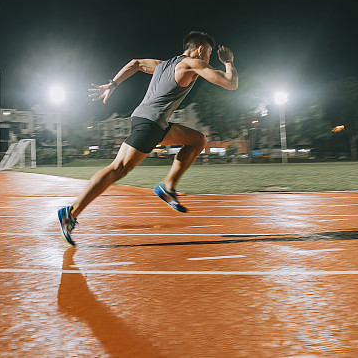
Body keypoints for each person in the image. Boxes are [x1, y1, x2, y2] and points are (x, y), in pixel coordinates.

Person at [58, 31, 238, 246]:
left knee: (198, 140)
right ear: (200, 50)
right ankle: (71, 212)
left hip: (153, 122)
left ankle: (167, 187)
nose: (208, 60)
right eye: (208, 54)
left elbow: (135, 63)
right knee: (118, 169)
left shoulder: (163, 65)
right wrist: (228, 62)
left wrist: (112, 85)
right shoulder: (191, 64)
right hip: (149, 124)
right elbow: (231, 83)